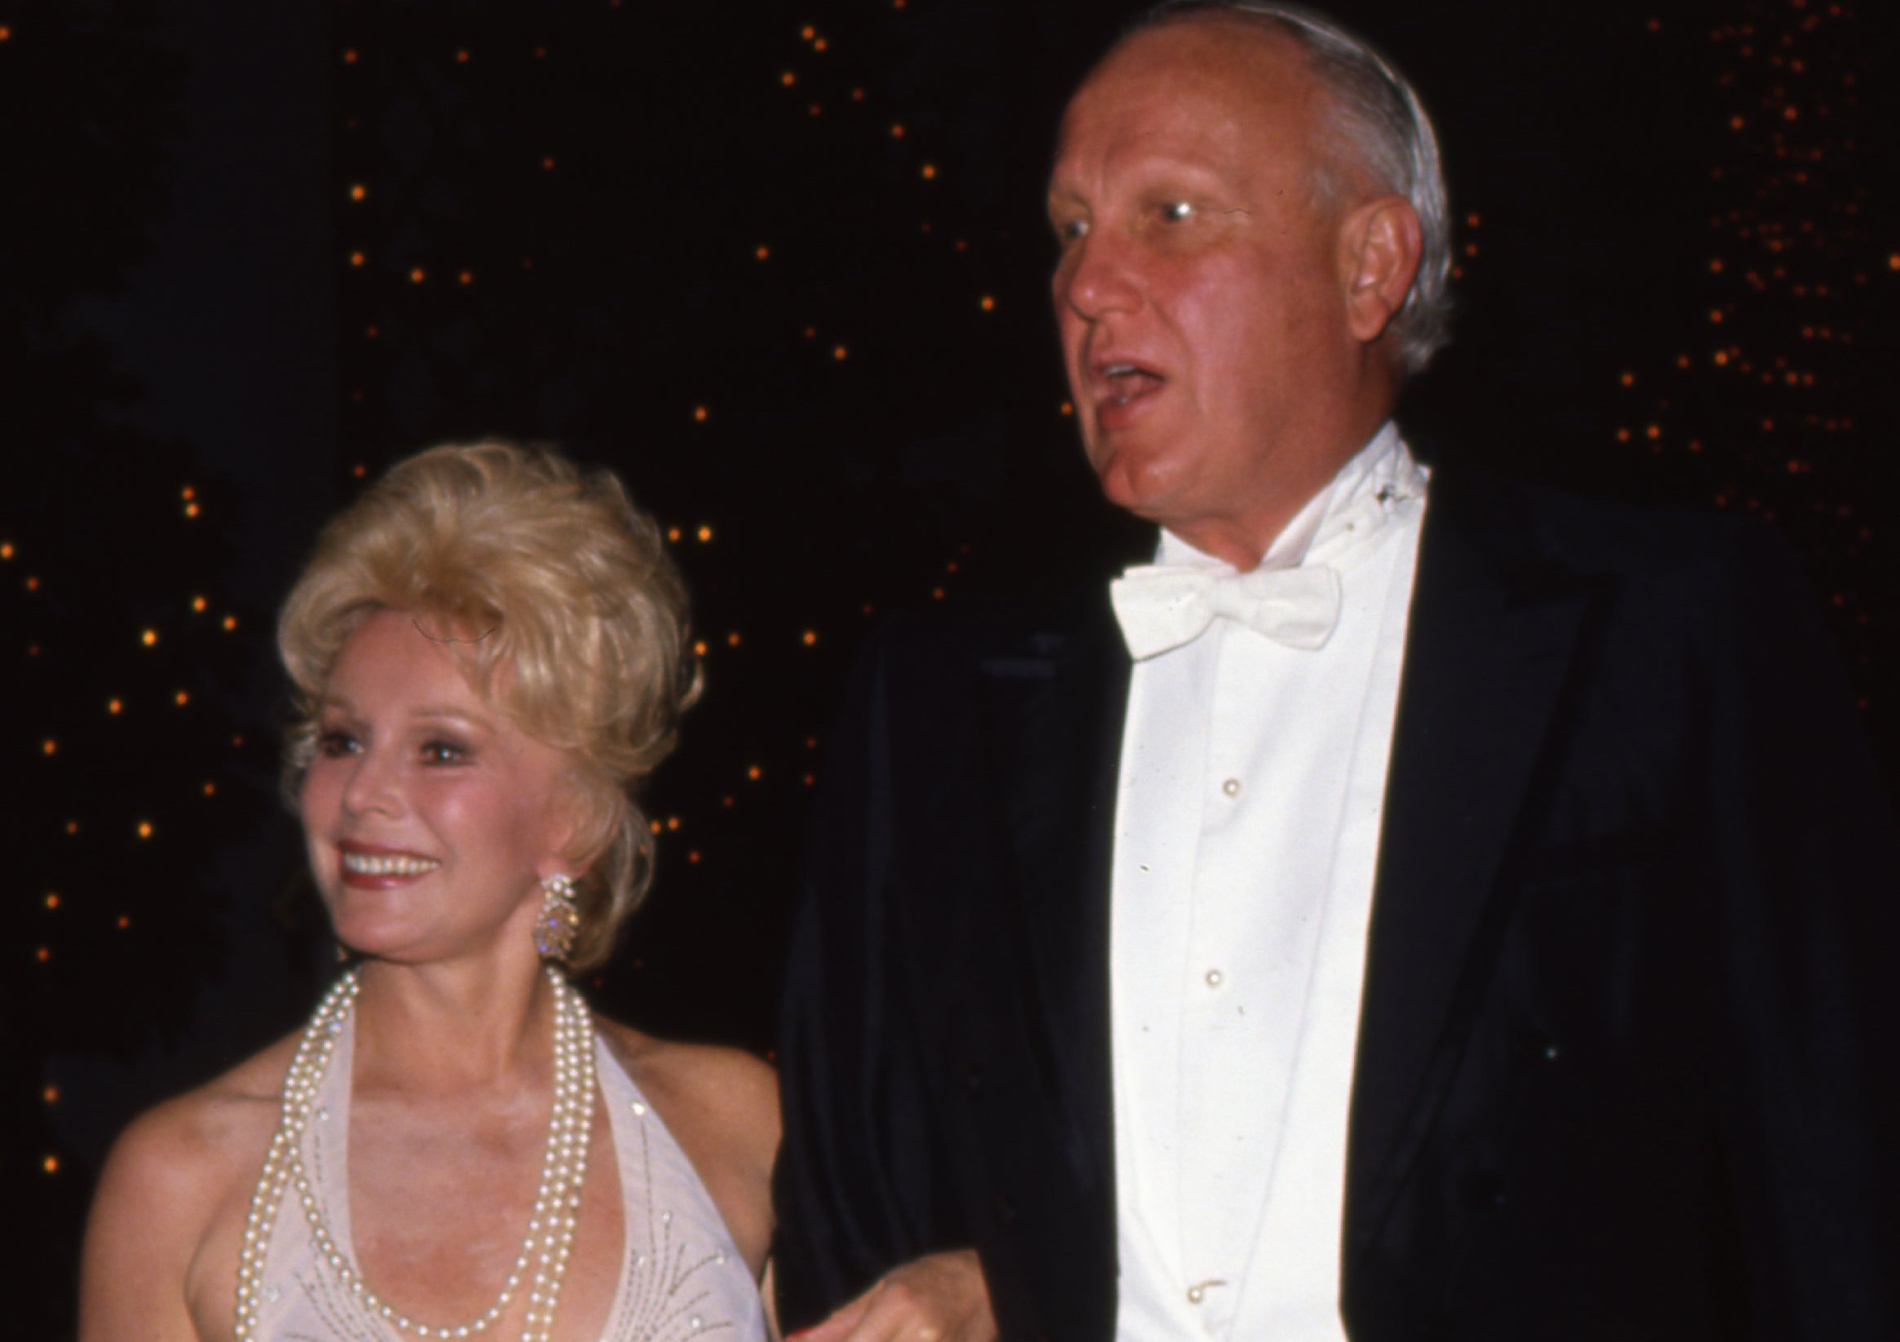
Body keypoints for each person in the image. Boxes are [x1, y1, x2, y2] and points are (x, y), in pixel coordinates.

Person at [772, 3, 1896, 1340]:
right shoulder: (934, 702)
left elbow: (1837, 1177)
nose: (1085, 283)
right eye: (1073, 228)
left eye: (1171, 216)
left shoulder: (1670, 627)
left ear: (1371, 266)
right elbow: (858, 1194)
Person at [79, 443, 778, 1342]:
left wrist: (981, 1286)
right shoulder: (181, 1179)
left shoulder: (735, 1123)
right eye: (340, 741)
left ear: (578, 818)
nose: (362, 793)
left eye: (441, 749)